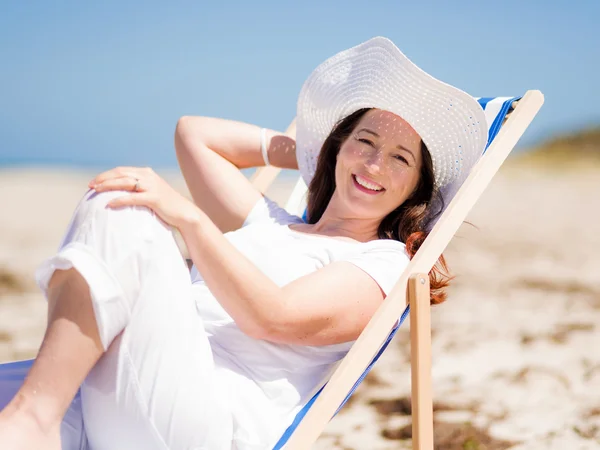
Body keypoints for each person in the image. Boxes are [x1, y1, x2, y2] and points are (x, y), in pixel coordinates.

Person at [0, 37, 487, 449]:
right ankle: (35, 414)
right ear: (340, 146)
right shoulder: (270, 223)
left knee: (122, 206)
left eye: (400, 158)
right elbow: (194, 134)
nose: (375, 164)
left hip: (201, 420)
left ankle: (34, 416)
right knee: (119, 199)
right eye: (364, 141)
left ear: (415, 190)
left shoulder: (382, 263)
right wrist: (316, 154)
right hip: (127, 389)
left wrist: (191, 221)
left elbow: (270, 315)